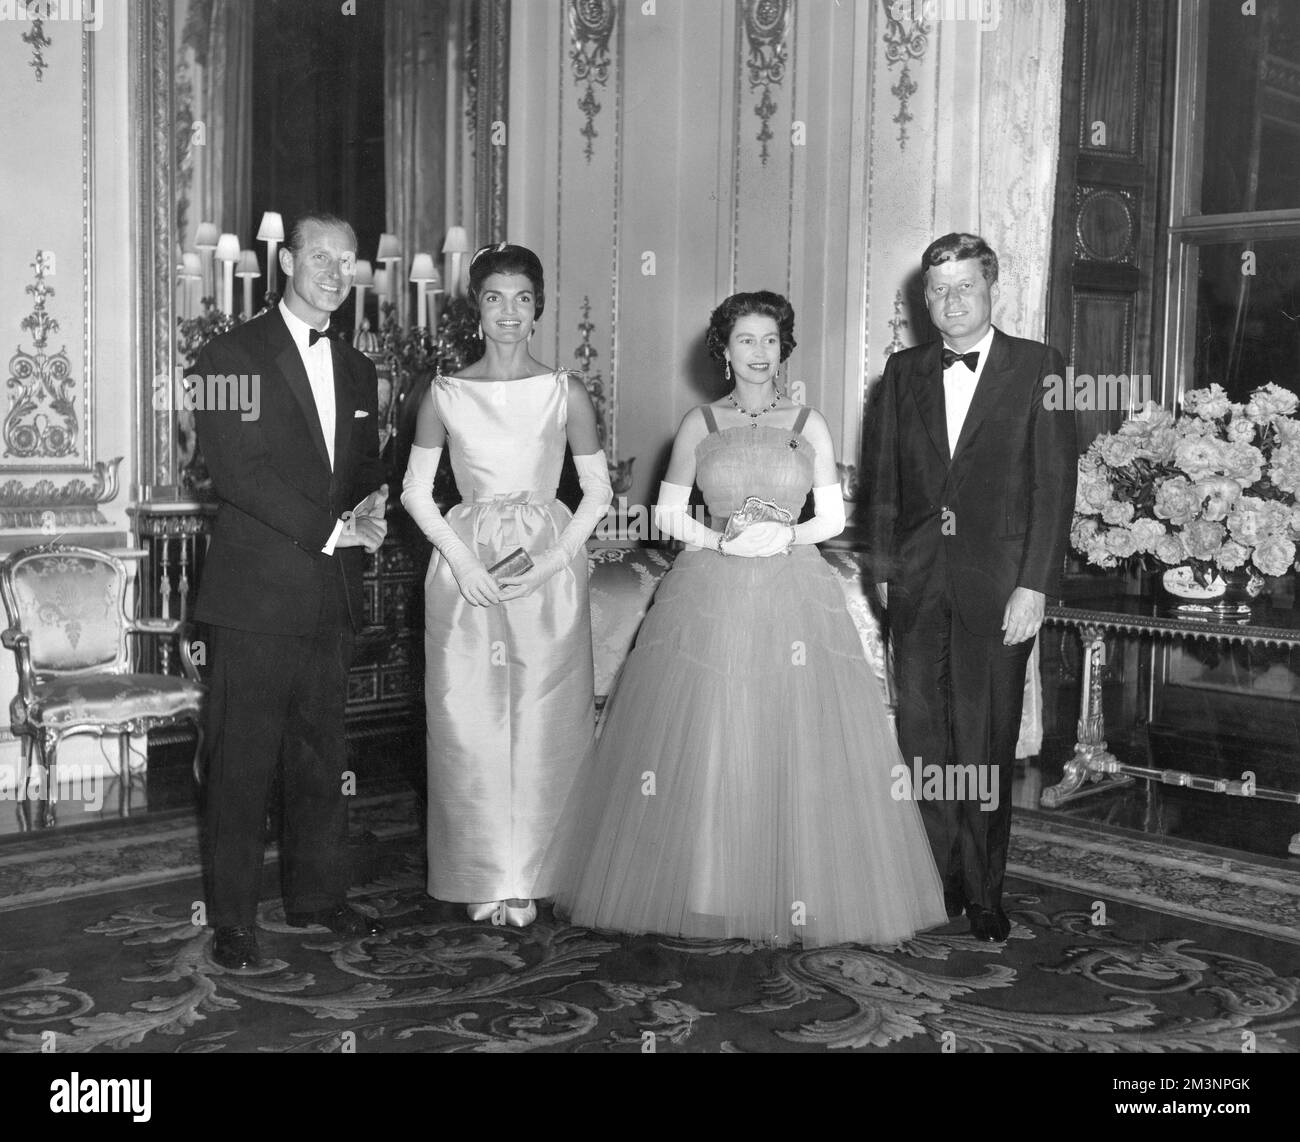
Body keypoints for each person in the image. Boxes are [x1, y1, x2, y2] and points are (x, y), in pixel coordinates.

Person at [543, 291, 947, 948]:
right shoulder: (699, 423)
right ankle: (713, 888)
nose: (758, 354)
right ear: (723, 351)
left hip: (795, 590)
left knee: (793, 731)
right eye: (744, 341)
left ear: (783, 348)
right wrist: (723, 541)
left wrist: (783, 537)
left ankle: (797, 886)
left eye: (768, 340)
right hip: (713, 590)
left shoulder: (808, 421)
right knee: (719, 729)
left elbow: (836, 517)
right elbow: (669, 514)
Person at [861, 233, 1077, 942]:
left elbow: (1054, 488)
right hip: (918, 589)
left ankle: (986, 893)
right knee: (924, 742)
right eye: (939, 290)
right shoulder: (901, 372)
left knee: (984, 743)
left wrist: (1036, 587)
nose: (952, 301)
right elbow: (885, 487)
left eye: (965, 288)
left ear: (991, 292)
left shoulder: (1040, 366)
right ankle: (936, 883)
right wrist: (887, 573)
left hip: (1000, 589)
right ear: (924, 301)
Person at [194, 211, 390, 971]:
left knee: (320, 755)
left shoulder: (359, 368)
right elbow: (237, 474)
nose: (335, 272)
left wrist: (369, 515)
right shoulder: (229, 354)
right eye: (320, 256)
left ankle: (317, 896)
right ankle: (235, 921)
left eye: (348, 260)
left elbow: (366, 467)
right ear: (286, 261)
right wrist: (332, 530)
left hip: (328, 594)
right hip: (256, 595)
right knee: (242, 761)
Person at [400, 243, 611, 929]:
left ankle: (537, 876)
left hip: (546, 567)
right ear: (477, 308)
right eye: (495, 298)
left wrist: (552, 563)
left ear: (538, 305)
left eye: (523, 298)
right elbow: (414, 493)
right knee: (470, 722)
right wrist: (463, 564)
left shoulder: (564, 391)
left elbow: (599, 492)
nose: (510, 312)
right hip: (467, 570)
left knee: (547, 723)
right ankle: (484, 873)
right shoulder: (445, 393)